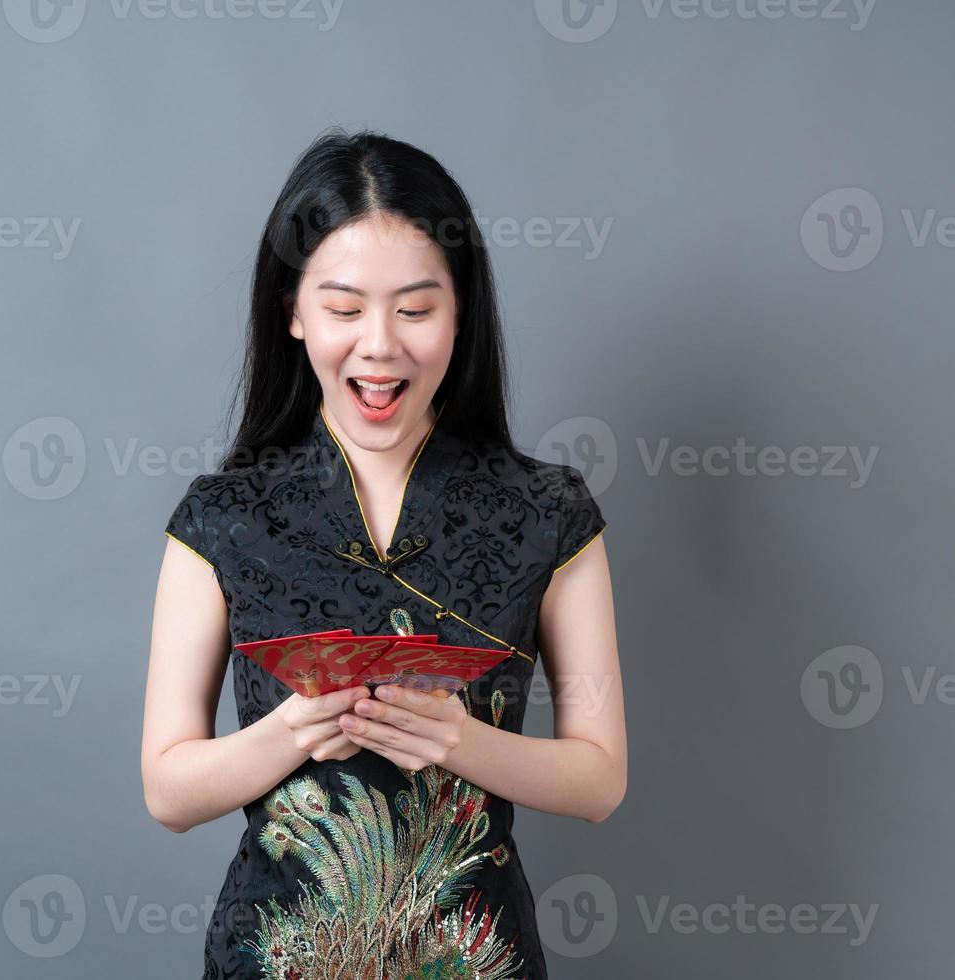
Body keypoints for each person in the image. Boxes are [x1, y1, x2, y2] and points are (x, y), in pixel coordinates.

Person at [142, 128, 627, 980]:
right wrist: (293, 731)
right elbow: (168, 789)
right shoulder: (223, 517)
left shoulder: (550, 513)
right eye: (342, 308)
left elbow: (598, 779)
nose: (379, 344)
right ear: (292, 311)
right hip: (274, 956)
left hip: (473, 959)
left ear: (460, 310)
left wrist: (455, 740)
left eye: (414, 309)